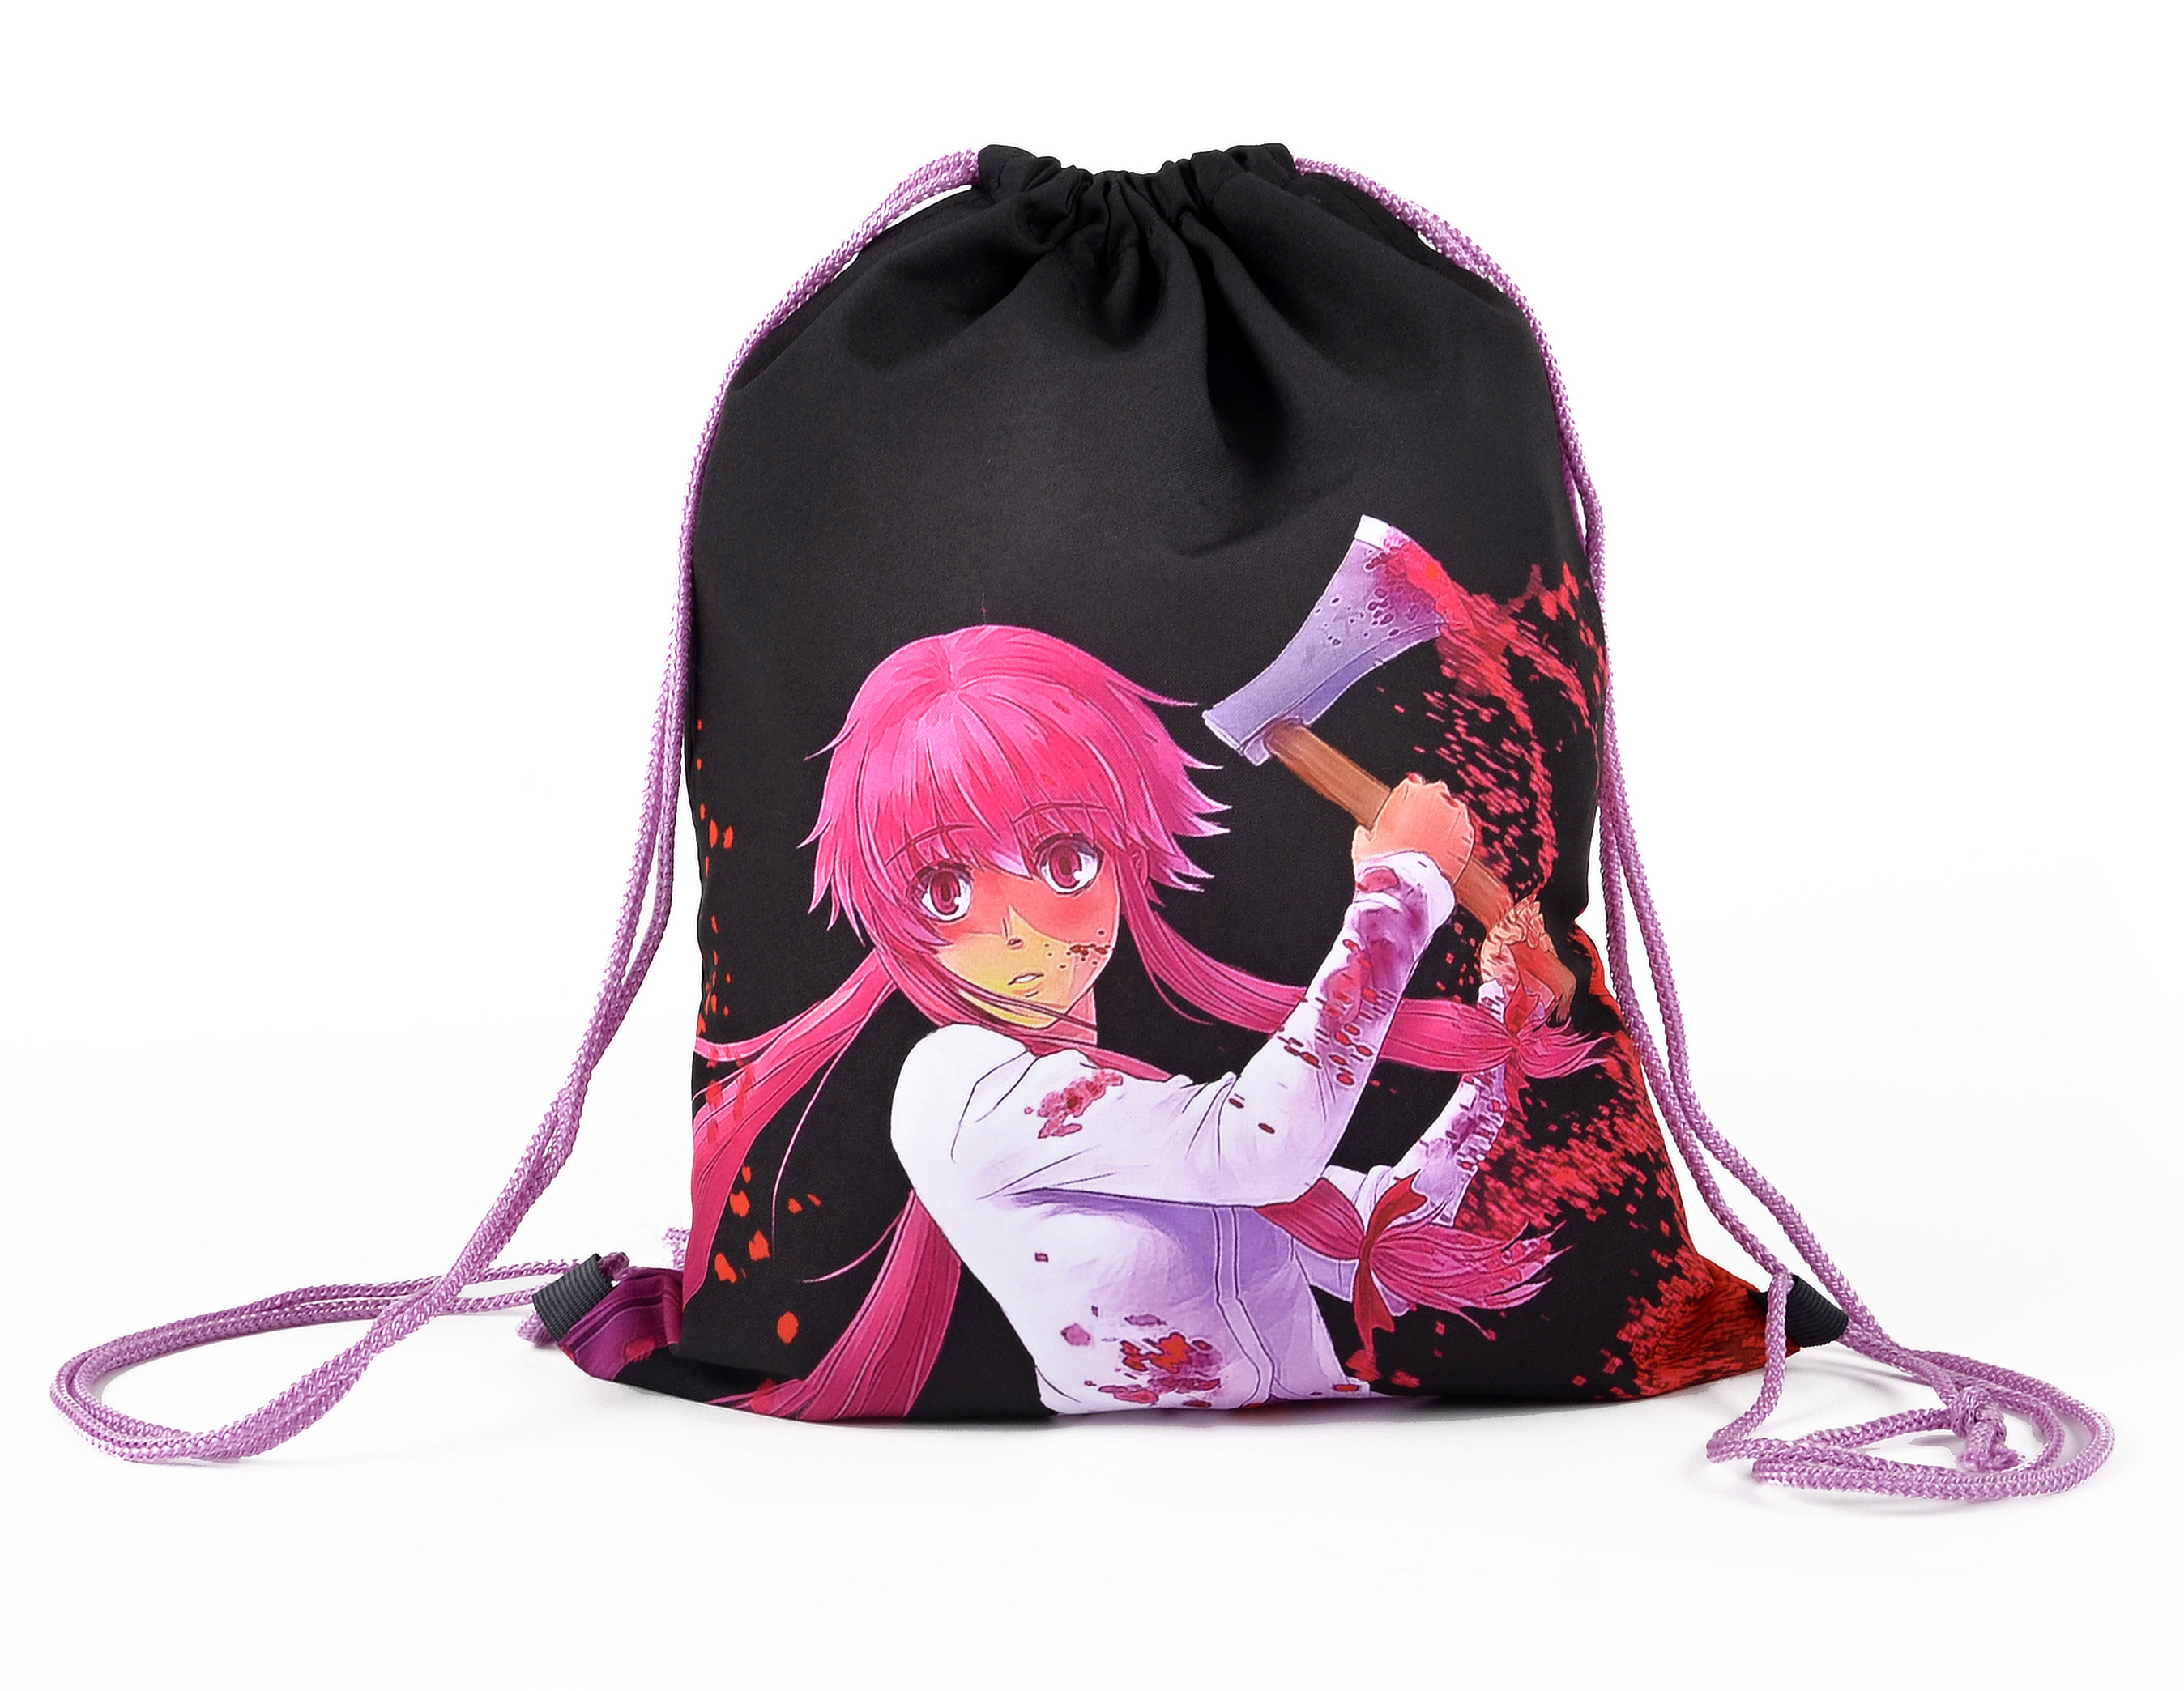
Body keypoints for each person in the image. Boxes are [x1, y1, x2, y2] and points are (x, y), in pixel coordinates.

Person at [688, 624, 1596, 1417]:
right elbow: (1264, 1144)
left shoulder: (1139, 1115)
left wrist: (1501, 1025)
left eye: (1064, 859)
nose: (1021, 928)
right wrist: (1400, 887)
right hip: (1095, 1511)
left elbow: (1378, 1233)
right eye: (946, 887)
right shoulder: (953, 1086)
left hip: (1324, 1494)